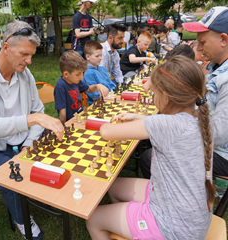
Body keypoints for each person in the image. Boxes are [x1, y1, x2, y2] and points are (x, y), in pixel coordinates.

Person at [86, 55, 214, 240]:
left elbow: (106, 131)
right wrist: (140, 118)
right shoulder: (200, 118)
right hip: (190, 215)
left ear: (166, 98)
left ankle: (136, 227)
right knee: (112, 187)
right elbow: (167, 125)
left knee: (93, 218)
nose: (153, 96)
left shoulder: (164, 125)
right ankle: (129, 229)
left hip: (173, 228)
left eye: (154, 92)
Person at [0, 20, 64, 240]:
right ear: (5, 47)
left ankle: (46, 191)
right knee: (11, 177)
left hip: (21, 140)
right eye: (24, 54)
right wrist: (31, 120)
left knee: (57, 138)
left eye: (32, 55)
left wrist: (27, 145)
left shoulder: (25, 75)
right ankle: (23, 219)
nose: (29, 61)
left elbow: (38, 112)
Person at [141, 6, 228, 179]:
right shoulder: (214, 67)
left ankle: (171, 203)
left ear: (223, 40)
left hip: (219, 154)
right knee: (155, 139)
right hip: (207, 141)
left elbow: (217, 134)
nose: (199, 49)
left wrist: (170, 126)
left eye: (203, 43)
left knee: (148, 157)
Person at [54, 50, 108, 122]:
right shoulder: (60, 86)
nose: (81, 77)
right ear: (66, 74)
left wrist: (97, 86)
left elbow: (88, 89)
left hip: (81, 115)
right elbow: (62, 111)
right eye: (78, 74)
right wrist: (63, 126)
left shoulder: (76, 80)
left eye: (81, 73)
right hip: (70, 121)